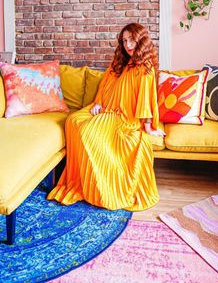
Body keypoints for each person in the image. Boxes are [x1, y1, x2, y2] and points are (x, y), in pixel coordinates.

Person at [48, 23, 165, 211]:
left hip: (123, 117)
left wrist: (149, 125)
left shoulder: (146, 67)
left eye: (132, 40)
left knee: (87, 130)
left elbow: (146, 98)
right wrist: (98, 103)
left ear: (141, 40)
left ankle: (97, 186)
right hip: (104, 108)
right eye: (125, 40)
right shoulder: (119, 61)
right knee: (73, 120)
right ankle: (83, 181)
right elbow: (105, 84)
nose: (128, 45)